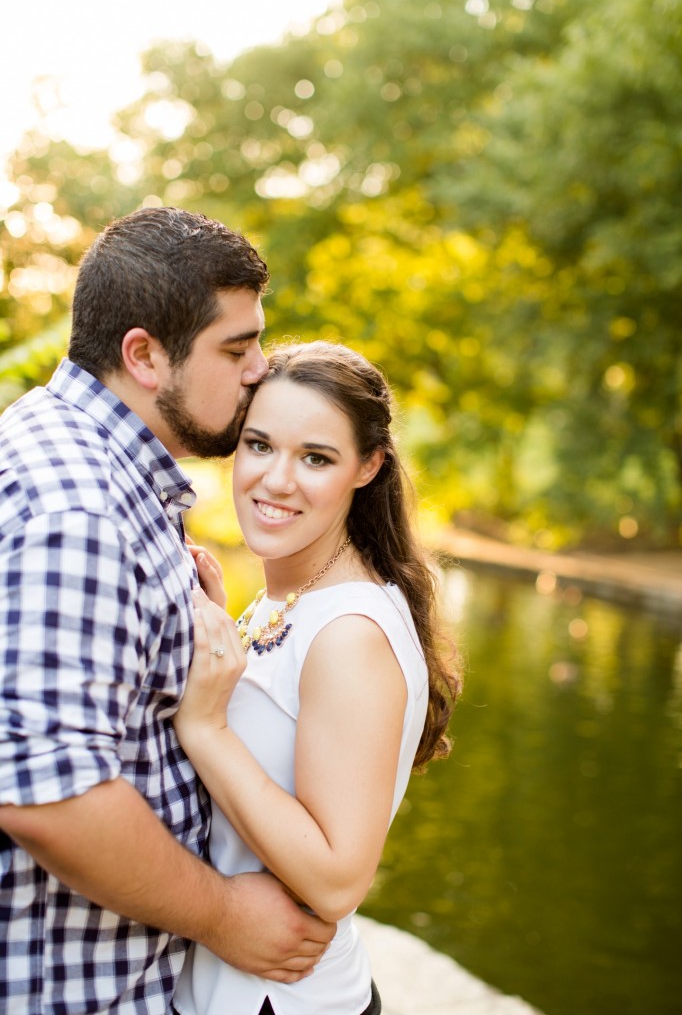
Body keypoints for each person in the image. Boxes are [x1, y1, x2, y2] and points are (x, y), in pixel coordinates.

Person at [0, 207, 335, 1015]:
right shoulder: (77, 509)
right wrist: (222, 914)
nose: (260, 369)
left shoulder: (106, 467)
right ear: (144, 355)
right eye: (235, 348)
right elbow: (52, 800)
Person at [171, 341, 461, 1015]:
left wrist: (206, 727)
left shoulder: (350, 634)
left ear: (368, 467)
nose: (276, 480)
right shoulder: (291, 595)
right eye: (260, 444)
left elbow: (335, 881)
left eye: (316, 458)